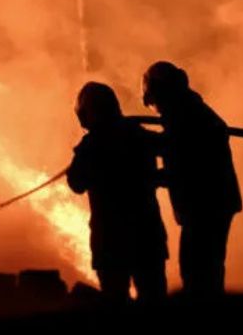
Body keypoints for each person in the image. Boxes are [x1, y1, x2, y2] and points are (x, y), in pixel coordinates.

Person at [141, 61, 241, 295]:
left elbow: (185, 163)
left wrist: (152, 174)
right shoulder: (189, 113)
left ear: (161, 92)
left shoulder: (187, 117)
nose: (156, 108)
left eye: (155, 102)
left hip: (205, 205)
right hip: (212, 204)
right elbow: (173, 148)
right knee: (204, 269)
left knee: (198, 271)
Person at [67, 81, 168, 302]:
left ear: (85, 114)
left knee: (115, 307)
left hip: (110, 240)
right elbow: (173, 149)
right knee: (155, 303)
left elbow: (76, 184)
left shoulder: (90, 146)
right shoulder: (139, 135)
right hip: (146, 234)